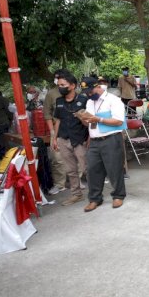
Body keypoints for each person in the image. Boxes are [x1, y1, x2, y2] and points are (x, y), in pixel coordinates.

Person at [79, 77, 126, 211]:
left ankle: (118, 195)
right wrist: (83, 119)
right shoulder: (89, 102)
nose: (88, 94)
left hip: (110, 139)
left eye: (90, 91)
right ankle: (95, 199)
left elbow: (118, 121)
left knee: (114, 169)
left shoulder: (113, 100)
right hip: (94, 141)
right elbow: (89, 122)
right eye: (86, 92)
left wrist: (98, 119)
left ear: (98, 86)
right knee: (92, 170)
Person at [52, 72, 89, 206]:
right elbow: (58, 120)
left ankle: (96, 193)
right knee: (71, 170)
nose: (60, 87)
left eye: (63, 85)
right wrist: (55, 138)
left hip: (79, 139)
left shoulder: (83, 100)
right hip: (64, 139)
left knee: (86, 168)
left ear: (72, 86)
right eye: (59, 85)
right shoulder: (59, 101)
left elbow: (89, 122)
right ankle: (76, 194)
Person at [43, 69, 68, 194]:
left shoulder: (75, 92)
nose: (58, 80)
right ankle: (59, 184)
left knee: (77, 155)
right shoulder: (51, 94)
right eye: (56, 78)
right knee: (57, 158)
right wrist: (52, 131)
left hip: (73, 129)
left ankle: (77, 180)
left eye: (61, 78)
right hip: (57, 128)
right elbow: (47, 114)